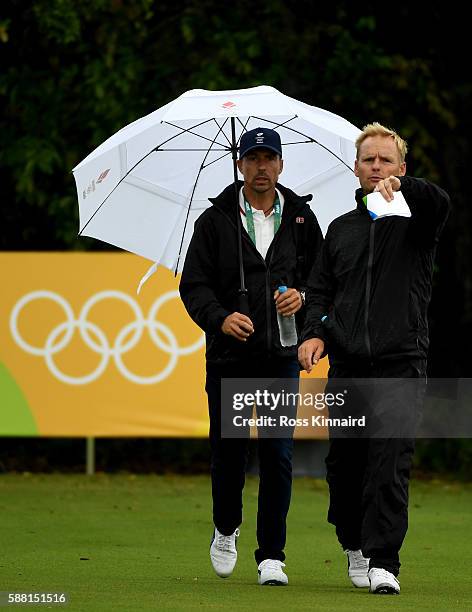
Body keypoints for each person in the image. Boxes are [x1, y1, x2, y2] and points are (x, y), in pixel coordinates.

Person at [298, 122, 450, 594]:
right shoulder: (340, 229)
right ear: (356, 167)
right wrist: (312, 333)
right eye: (369, 160)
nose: (377, 167)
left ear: (401, 168)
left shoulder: (418, 221)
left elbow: (439, 201)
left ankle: (385, 561)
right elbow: (320, 291)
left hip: (401, 362)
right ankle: (354, 545)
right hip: (347, 367)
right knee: (344, 470)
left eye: (386, 160)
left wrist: (405, 190)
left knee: (389, 463)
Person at [179, 127, 323, 585]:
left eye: (269, 158)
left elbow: (321, 283)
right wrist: (220, 318)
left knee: (279, 455)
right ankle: (225, 528)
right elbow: (193, 285)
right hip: (229, 358)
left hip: (281, 356)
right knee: (229, 454)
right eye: (253, 158)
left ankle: (272, 555)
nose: (262, 166)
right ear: (240, 164)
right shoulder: (215, 220)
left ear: (281, 165)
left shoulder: (302, 218)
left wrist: (301, 296)